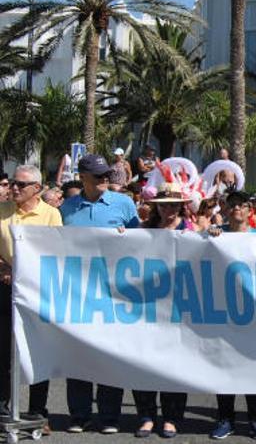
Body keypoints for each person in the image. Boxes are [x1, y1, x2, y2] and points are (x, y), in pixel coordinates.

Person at [59, 154, 139, 434]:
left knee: (110, 355)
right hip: (78, 294)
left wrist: (126, 238)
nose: (106, 179)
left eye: (107, 174)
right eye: (99, 175)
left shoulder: (125, 204)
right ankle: (79, 415)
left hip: (113, 294)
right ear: (83, 178)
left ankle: (109, 417)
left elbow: (142, 246)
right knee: (78, 355)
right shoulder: (67, 208)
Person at [0, 165, 61, 435]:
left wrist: (26, 274)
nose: (14, 188)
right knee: (3, 353)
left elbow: (55, 253)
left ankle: (38, 411)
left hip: (37, 291)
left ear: (37, 188)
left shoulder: (51, 215)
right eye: (12, 183)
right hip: (4, 289)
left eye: (21, 185)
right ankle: (2, 409)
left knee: (37, 352)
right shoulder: (2, 211)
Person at [206, 191, 256, 440]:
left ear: (249, 210)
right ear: (225, 208)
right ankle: (226, 419)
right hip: (223, 312)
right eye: (232, 205)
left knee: (253, 369)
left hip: (252, 314)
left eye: (242, 205)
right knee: (225, 369)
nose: (237, 210)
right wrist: (208, 235)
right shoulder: (216, 234)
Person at [132, 184, 191, 438]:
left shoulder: (190, 230)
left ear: (181, 206)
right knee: (144, 362)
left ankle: (171, 417)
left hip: (180, 309)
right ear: (156, 205)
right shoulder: (144, 230)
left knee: (175, 364)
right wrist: (122, 235)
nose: (169, 209)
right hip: (148, 307)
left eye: (173, 204)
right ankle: (146, 415)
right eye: (164, 204)